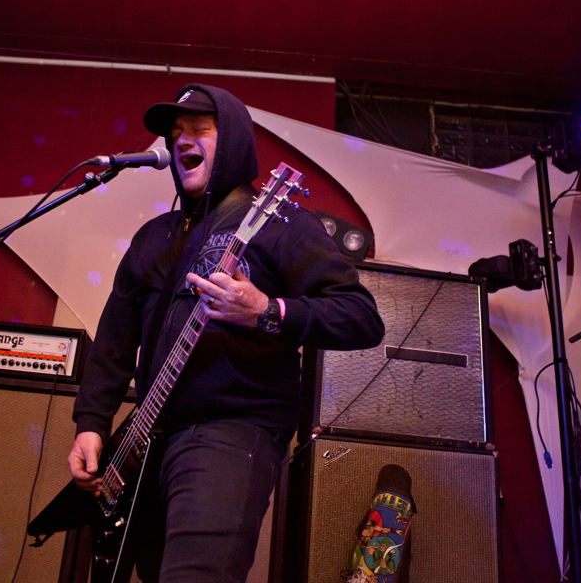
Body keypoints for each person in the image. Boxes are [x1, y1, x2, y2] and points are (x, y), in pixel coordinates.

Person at [67, 83, 385, 583]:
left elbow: (361, 317)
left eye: (199, 129)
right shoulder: (153, 237)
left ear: (234, 140)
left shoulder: (281, 223)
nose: (182, 141)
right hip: (147, 441)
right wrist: (91, 422)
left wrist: (266, 310)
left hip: (233, 431)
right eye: (176, 133)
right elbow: (114, 338)